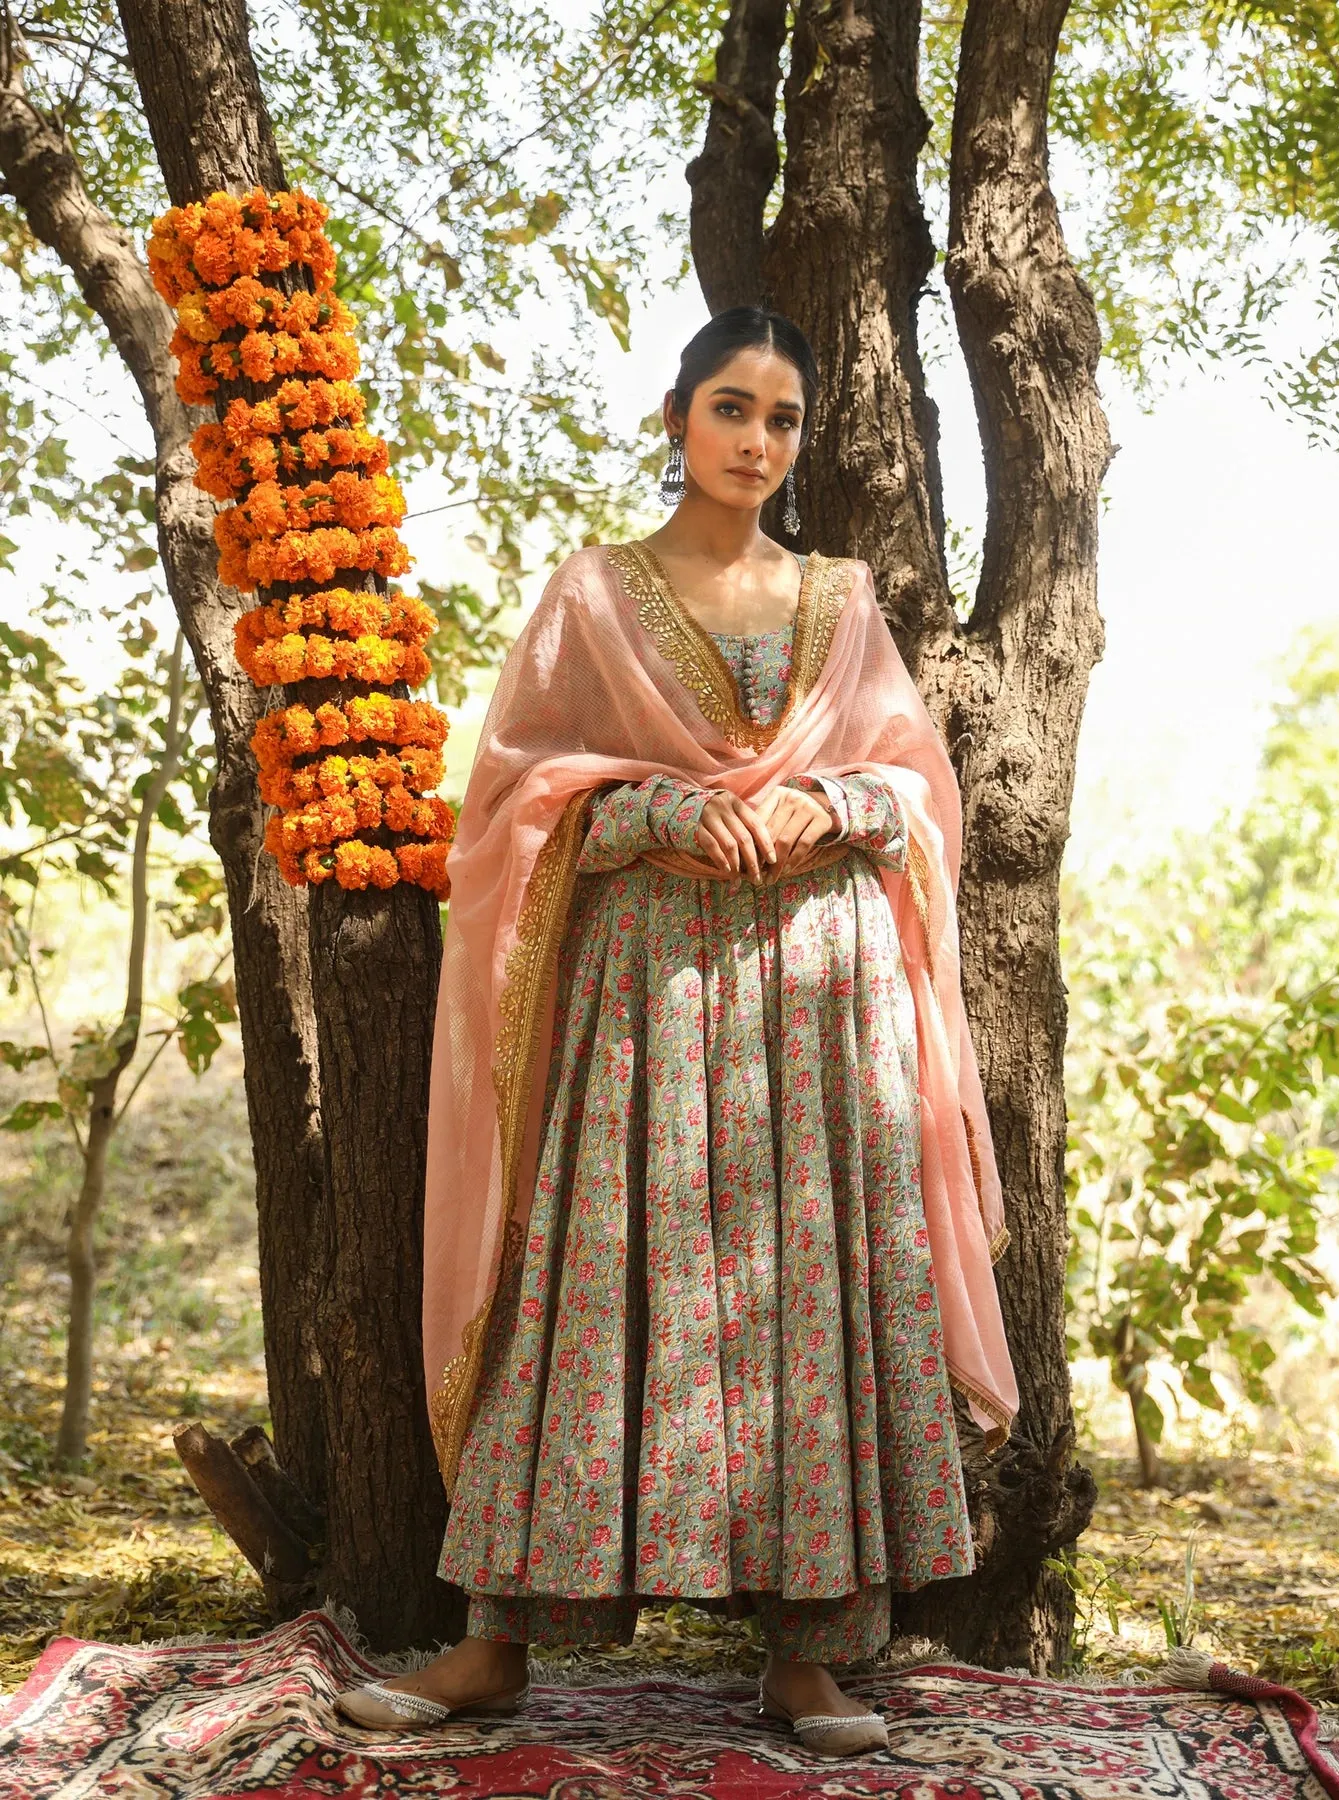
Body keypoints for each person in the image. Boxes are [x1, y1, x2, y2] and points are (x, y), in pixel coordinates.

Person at [335, 306, 1017, 1758]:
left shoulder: (840, 598)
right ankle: (496, 1643)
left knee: (816, 1300)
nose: (756, 440)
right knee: (597, 1290)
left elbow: (921, 794)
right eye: (731, 407)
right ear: (675, 417)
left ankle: (815, 1654)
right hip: (647, 991)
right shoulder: (596, 592)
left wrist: (830, 800)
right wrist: (655, 808)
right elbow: (517, 791)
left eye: (780, 417)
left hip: (821, 1001)